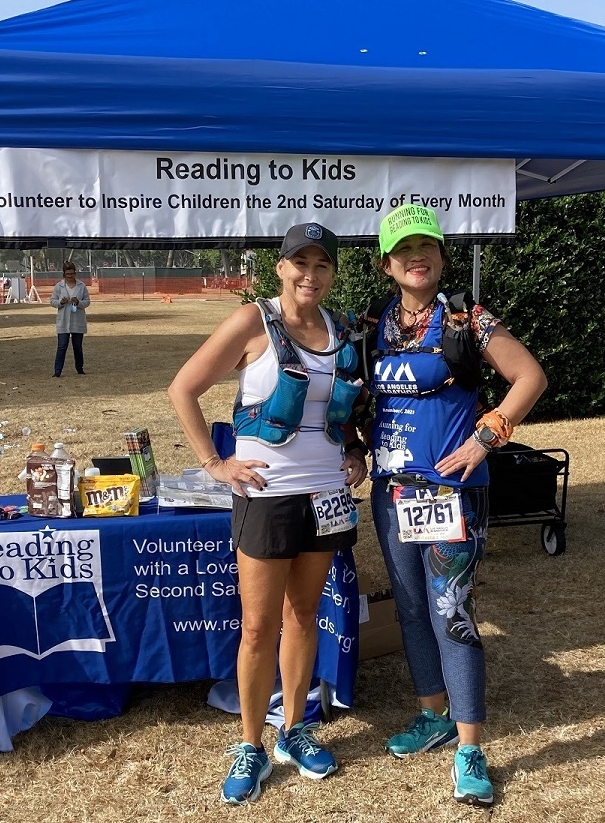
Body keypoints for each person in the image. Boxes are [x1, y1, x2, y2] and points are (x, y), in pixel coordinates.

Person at [168, 223, 367, 805]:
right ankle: (251, 744)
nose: (310, 275)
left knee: (304, 615)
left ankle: (295, 729)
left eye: (321, 265)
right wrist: (214, 462)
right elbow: (184, 388)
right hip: (267, 494)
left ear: (332, 273)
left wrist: (353, 450)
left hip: (326, 492)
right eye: (299, 263)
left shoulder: (342, 327)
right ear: (279, 268)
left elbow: (342, 410)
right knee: (258, 627)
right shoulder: (253, 321)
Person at [360, 204, 547, 808]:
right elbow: (355, 398)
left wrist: (485, 437)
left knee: (452, 610)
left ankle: (469, 746)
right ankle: (432, 715)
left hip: (449, 494)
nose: (418, 256)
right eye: (405, 248)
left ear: (441, 257)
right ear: (387, 263)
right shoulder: (373, 324)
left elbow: (529, 377)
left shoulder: (467, 319)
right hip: (392, 493)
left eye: (429, 246)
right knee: (412, 609)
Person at [49, 262, 91, 377]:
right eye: (67, 274)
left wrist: (78, 302)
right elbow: (52, 301)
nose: (69, 275)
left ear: (75, 273)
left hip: (77, 319)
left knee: (77, 346)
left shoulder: (81, 286)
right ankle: (57, 371)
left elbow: (87, 301)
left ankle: (80, 368)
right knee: (62, 346)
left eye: (71, 273)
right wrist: (61, 302)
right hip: (63, 320)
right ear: (64, 274)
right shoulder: (59, 286)